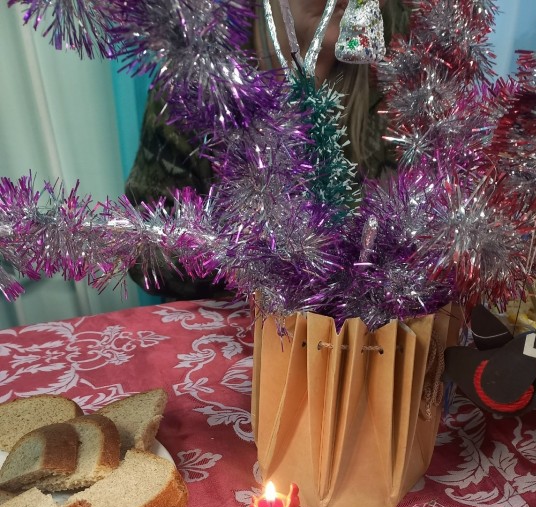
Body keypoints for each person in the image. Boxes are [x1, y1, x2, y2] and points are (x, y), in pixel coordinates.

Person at [125, 0, 409, 299]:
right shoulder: (199, 74)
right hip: (231, 321)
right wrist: (244, 254)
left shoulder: (399, 67)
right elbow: (144, 249)